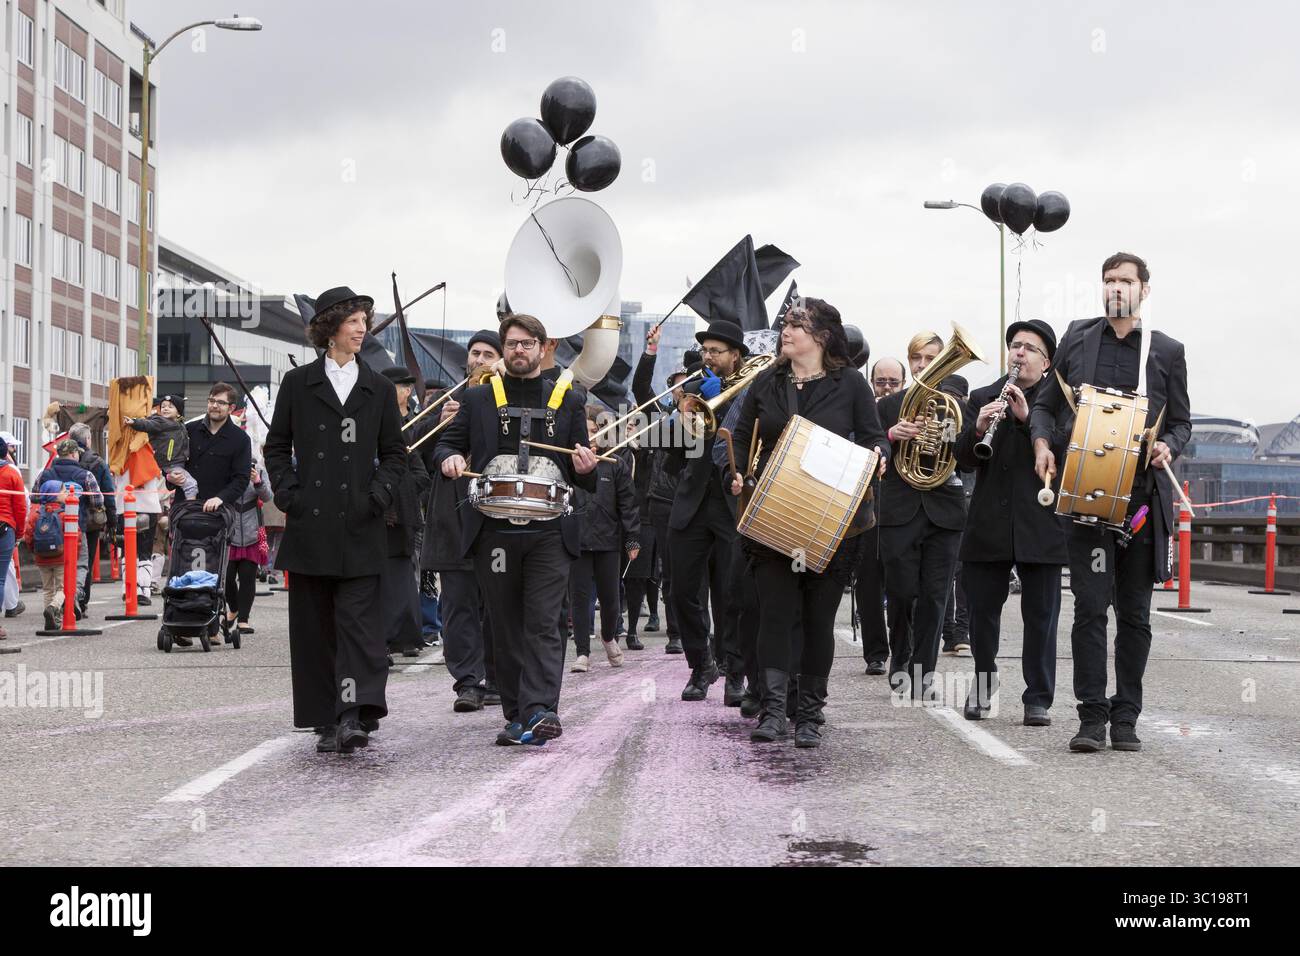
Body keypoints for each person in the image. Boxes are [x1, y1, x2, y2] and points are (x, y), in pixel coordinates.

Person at [1031, 252, 1192, 753]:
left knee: (1136, 616)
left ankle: (1127, 717)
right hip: (1088, 499)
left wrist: (1171, 444)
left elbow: (1183, 420)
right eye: (1108, 280)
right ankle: (1091, 718)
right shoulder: (1077, 337)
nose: (1116, 287)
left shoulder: (1166, 350)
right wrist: (1041, 443)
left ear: (1144, 290)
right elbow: (1045, 403)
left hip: (1142, 502)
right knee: (1090, 611)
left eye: (1126, 280)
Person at [729, 298, 888, 745]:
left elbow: (874, 436)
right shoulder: (767, 380)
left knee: (818, 619)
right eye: (786, 324)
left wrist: (880, 455)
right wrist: (736, 471)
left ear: (821, 336)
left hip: (831, 520)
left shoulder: (852, 383)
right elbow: (742, 435)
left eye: (797, 324)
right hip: (777, 514)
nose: (787, 330)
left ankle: (810, 716)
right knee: (775, 616)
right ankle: (774, 712)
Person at [434, 313, 598, 746]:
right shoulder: (477, 401)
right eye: (512, 344)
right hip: (495, 532)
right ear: (504, 349)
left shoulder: (570, 400)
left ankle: (542, 709)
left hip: (550, 531)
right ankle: (516, 713)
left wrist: (587, 467)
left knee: (545, 622)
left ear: (544, 348)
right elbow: (448, 444)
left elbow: (583, 475)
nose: (519, 351)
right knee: (504, 625)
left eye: (527, 344)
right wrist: (449, 459)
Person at [264, 286, 407, 754]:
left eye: (365, 321)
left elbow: (394, 455)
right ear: (330, 329)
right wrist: (288, 494)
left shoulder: (380, 388)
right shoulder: (298, 384)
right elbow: (276, 446)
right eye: (353, 321)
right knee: (315, 626)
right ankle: (325, 716)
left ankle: (353, 715)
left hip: (361, 525)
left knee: (359, 627)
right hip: (311, 524)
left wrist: (378, 495)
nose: (362, 328)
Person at [954, 319, 1068, 725]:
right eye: (1015, 346)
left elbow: (1067, 458)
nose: (1019, 353)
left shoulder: (1059, 404)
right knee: (983, 612)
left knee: (1041, 615)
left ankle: (1037, 695)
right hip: (989, 521)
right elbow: (962, 458)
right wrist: (979, 428)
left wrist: (1025, 423)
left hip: (1040, 523)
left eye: (1029, 348)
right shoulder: (984, 395)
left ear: (1047, 360)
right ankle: (984, 683)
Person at [877, 331, 969, 700]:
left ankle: (922, 673)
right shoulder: (888, 405)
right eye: (916, 357)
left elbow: (969, 456)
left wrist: (957, 433)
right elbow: (870, 445)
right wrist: (890, 435)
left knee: (934, 595)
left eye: (931, 357)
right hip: (899, 509)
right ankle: (899, 658)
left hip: (943, 511)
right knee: (900, 593)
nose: (922, 364)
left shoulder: (956, 406)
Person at [664, 319, 750, 701]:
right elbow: (673, 453)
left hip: (732, 499)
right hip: (692, 499)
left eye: (716, 351)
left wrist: (727, 401)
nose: (709, 357)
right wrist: (680, 422)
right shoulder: (695, 390)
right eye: (705, 351)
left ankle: (734, 670)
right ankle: (701, 664)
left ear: (735, 355)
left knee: (733, 591)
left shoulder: (751, 390)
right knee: (681, 589)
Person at [419, 329, 504, 712]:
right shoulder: (443, 401)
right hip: (451, 516)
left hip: (493, 515)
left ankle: (497, 677)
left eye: (488, 354)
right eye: (475, 353)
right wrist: (438, 421)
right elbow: (413, 456)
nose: (480, 360)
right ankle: (468, 682)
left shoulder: (505, 400)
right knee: (458, 605)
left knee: (497, 604)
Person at [569, 405, 639, 672]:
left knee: (611, 599)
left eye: (594, 431)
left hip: (609, 541)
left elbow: (628, 504)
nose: (590, 436)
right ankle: (582, 653)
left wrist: (632, 539)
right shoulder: (568, 463)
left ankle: (609, 637)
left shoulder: (615, 463)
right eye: (585, 431)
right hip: (577, 540)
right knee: (579, 597)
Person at [379, 366, 432, 661]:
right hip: (378, 513)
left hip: (404, 516)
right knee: (380, 582)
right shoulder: (375, 423)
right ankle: (381, 639)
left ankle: (403, 635)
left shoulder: (411, 424)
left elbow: (421, 473)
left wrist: (401, 492)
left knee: (403, 578)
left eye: (401, 386)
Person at [220, 458, 273, 643]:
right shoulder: (226, 467)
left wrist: (257, 480)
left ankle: (243, 619)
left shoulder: (258, 470)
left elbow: (267, 496)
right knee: (227, 576)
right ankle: (233, 609)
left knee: (247, 576)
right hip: (229, 529)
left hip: (252, 530)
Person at [67, 423, 117, 614]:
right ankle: (82, 598)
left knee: (69, 558)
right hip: (91, 519)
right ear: (87, 439)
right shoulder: (97, 462)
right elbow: (108, 492)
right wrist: (112, 520)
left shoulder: (61, 459)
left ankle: (65, 597)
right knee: (86, 561)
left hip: (66, 517)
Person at [184, 384, 252, 514]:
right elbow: (173, 460)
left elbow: (242, 479)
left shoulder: (241, 439)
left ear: (231, 408)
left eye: (220, 402)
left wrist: (221, 498)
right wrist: (170, 476)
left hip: (218, 513)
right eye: (211, 401)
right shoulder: (188, 430)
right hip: (185, 509)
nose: (214, 406)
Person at [0, 435, 25, 639]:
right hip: (4, 527)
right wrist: (20, 532)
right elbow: (20, 506)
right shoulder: (11, 473)